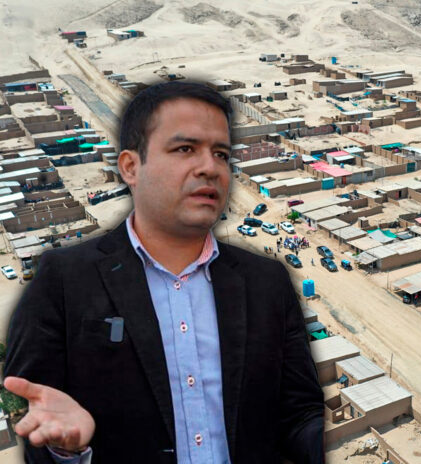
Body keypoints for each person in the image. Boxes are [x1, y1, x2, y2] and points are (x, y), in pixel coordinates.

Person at [3, 82, 324, 464]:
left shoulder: (267, 282)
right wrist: (65, 450)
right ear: (130, 167)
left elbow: (300, 414)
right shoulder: (63, 281)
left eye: (220, 154)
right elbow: (35, 423)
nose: (210, 168)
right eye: (185, 149)